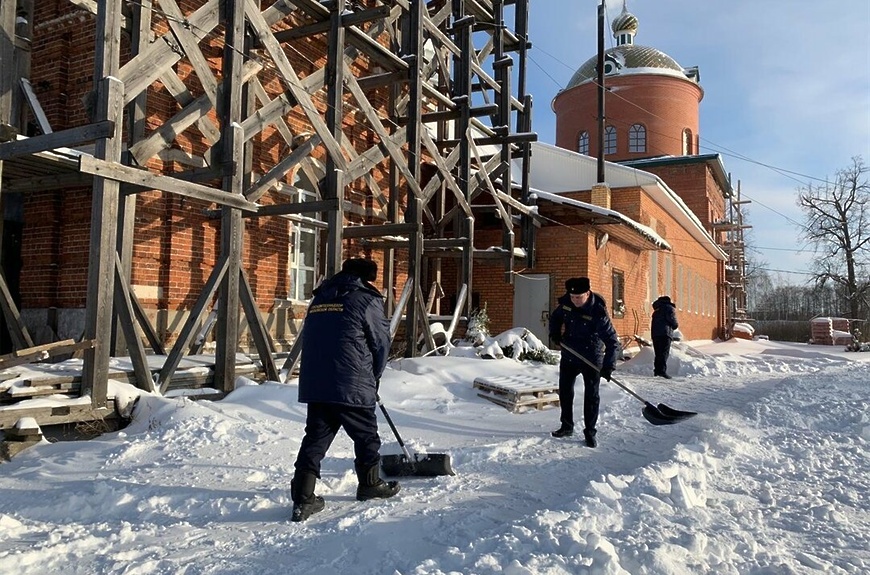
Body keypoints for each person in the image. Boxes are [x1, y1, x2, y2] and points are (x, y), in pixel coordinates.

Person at [290, 258, 400, 522]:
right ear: (365, 277)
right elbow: (381, 343)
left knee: (315, 439)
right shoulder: (366, 299)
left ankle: (302, 500)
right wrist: (375, 376)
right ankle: (369, 485)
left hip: (317, 383)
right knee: (367, 437)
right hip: (352, 382)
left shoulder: (319, 299)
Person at [548, 277, 620, 448]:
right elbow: (555, 318)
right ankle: (567, 426)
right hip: (570, 355)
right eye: (572, 297)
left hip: (591, 358)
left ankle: (590, 432)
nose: (575, 301)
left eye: (578, 297)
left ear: (588, 293)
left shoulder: (598, 312)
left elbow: (612, 341)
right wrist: (555, 334)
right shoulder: (566, 304)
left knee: (591, 396)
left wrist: (608, 365)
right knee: (565, 391)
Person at [650, 295, 678, 379]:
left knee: (658, 353)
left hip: (655, 334)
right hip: (665, 334)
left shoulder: (656, 310)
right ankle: (661, 371)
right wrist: (675, 325)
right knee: (664, 353)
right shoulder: (668, 308)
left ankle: (657, 371)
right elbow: (672, 320)